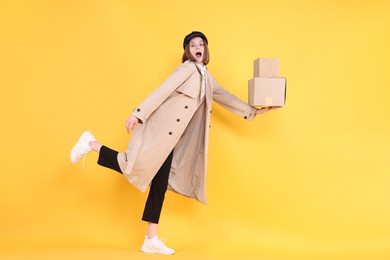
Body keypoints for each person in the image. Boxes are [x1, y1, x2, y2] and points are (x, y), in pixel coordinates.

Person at [70, 31, 280, 255]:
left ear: (206, 49)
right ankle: (91, 144)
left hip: (172, 140)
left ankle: (150, 239)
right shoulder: (186, 69)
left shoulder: (208, 78)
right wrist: (138, 113)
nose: (197, 47)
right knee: (131, 165)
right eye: (192, 45)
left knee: (159, 185)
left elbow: (226, 97)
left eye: (201, 44)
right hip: (159, 131)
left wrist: (254, 112)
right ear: (187, 51)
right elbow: (163, 90)